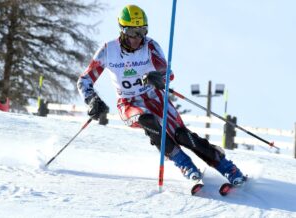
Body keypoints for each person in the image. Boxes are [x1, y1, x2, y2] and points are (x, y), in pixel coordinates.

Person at [77, 5, 246, 186]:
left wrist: (157, 77)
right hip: (128, 103)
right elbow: (84, 80)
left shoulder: (150, 46)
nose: (137, 38)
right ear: (122, 30)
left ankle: (228, 168)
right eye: (132, 32)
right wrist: (92, 100)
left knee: (182, 135)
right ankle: (185, 164)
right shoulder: (108, 51)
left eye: (142, 31)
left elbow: (168, 73)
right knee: (147, 120)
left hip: (154, 97)